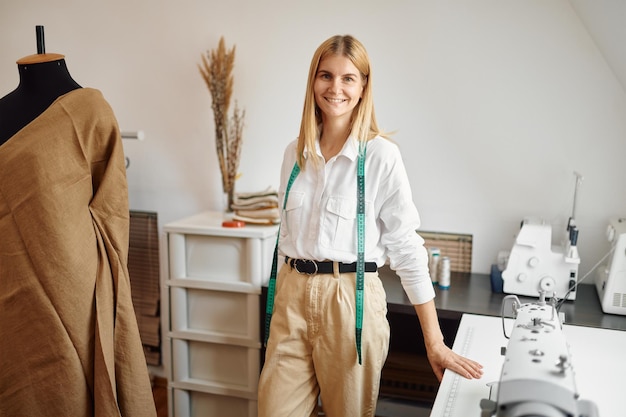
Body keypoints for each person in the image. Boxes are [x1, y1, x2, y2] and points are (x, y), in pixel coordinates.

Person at [258, 34, 483, 417]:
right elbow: (286, 237)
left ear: (363, 87)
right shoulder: (294, 154)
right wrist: (283, 297)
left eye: (348, 78)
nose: (335, 88)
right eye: (325, 75)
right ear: (313, 81)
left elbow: (407, 249)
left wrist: (435, 342)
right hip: (291, 296)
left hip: (350, 302)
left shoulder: (380, 156)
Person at [0, 51, 156, 417]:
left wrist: (106, 280)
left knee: (76, 380)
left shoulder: (90, 108)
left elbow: (112, 205)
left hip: (80, 282)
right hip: (13, 284)